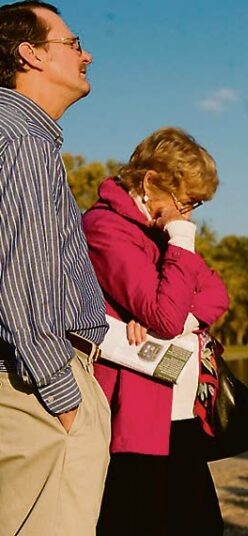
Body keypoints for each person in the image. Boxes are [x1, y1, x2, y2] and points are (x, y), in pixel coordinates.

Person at [82, 127, 229, 535]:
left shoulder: (158, 232)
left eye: (196, 206)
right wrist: (181, 239)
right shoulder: (106, 229)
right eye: (187, 202)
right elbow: (162, 316)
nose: (189, 215)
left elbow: (217, 293)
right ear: (150, 183)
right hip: (136, 415)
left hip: (178, 410)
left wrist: (183, 319)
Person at [0, 2, 111, 535]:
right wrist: (64, 397)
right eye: (72, 44)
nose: (86, 54)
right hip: (35, 395)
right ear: (30, 55)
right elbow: (25, 280)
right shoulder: (23, 144)